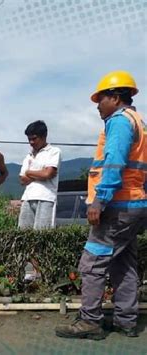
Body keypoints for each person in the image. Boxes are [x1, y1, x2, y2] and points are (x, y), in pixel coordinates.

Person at [56, 71, 146, 340]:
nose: (97, 105)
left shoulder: (118, 122)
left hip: (117, 205)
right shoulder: (139, 122)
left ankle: (90, 322)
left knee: (92, 263)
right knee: (124, 264)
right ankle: (127, 321)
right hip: (136, 204)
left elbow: (114, 163)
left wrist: (99, 200)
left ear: (116, 98)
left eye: (101, 99)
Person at [18, 120, 61, 229]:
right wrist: (40, 173)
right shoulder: (29, 155)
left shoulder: (54, 152)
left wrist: (29, 172)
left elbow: (48, 173)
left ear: (44, 136)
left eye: (34, 138)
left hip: (46, 198)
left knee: (42, 234)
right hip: (27, 197)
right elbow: (22, 180)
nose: (31, 142)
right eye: (29, 139)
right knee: (23, 234)